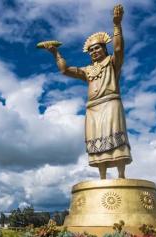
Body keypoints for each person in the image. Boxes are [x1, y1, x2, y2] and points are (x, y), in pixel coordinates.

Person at [43, 4, 131, 179]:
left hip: (110, 102)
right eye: (91, 50)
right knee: (97, 139)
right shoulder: (87, 71)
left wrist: (117, 25)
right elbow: (65, 70)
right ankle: (102, 178)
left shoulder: (113, 62)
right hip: (93, 108)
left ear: (104, 48)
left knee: (115, 135)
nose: (94, 51)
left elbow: (119, 49)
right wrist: (55, 53)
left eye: (97, 48)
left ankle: (121, 177)